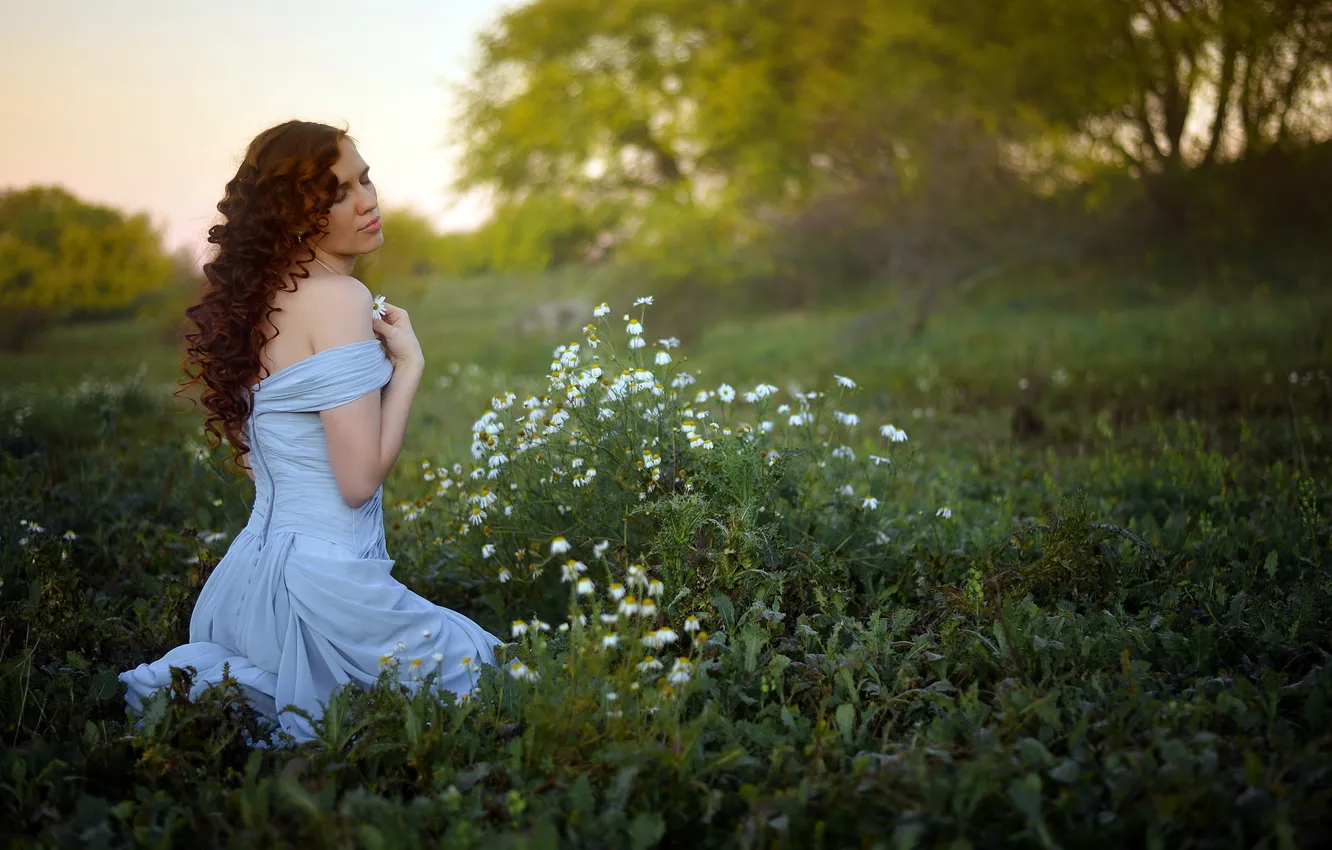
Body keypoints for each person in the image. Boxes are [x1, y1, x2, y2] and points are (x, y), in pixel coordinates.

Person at [119, 120, 500, 743]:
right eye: (337, 193)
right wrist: (409, 367)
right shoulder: (338, 297)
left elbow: (261, 462)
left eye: (365, 178)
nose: (367, 199)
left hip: (244, 589)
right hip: (324, 596)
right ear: (295, 215)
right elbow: (355, 482)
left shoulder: (262, 300)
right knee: (493, 677)